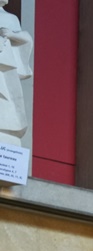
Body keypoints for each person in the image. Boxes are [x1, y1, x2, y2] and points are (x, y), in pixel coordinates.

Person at [0, 0, 32, 146]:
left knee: (8, 97)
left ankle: (9, 128)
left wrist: (11, 35)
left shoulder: (11, 19)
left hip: (6, 68)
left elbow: (26, 39)